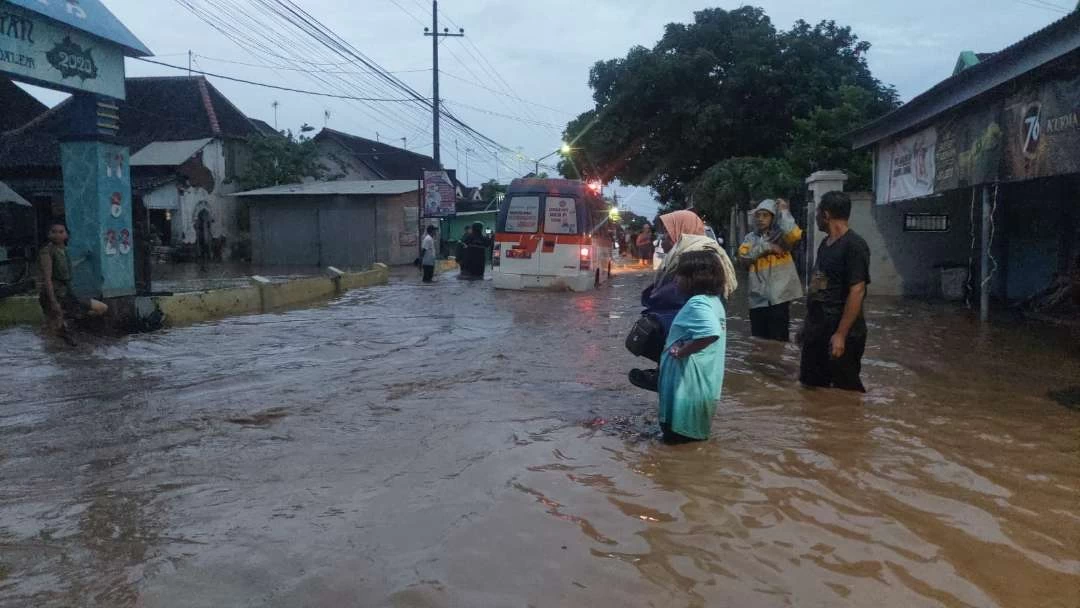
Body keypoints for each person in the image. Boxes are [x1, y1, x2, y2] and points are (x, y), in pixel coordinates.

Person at [629, 210, 738, 392]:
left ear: (682, 231)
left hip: (688, 326)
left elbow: (676, 295)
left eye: (668, 233)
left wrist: (653, 297)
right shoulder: (685, 252)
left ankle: (665, 379)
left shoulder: (697, 255)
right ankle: (664, 375)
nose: (663, 238)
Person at [800, 191, 871, 392]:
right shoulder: (825, 244)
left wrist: (841, 334)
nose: (815, 218)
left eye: (818, 212)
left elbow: (857, 291)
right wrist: (808, 326)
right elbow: (819, 283)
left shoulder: (855, 246)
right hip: (818, 328)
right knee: (811, 387)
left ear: (826, 214)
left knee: (845, 392)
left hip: (841, 330)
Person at [657, 250, 728, 443]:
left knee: (675, 445)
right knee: (691, 444)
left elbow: (710, 332)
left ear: (694, 278)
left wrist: (681, 351)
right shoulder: (714, 301)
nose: (676, 280)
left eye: (679, 275)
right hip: (702, 387)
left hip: (687, 390)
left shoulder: (697, 303)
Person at [738, 198, 803, 341]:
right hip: (757, 298)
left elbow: (795, 234)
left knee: (779, 340)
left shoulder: (783, 238)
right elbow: (743, 257)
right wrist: (766, 247)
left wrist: (784, 211)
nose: (760, 219)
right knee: (758, 340)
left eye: (765, 215)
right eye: (758, 215)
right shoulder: (750, 238)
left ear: (773, 218)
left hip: (779, 298)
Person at [38, 222, 108, 342]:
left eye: (61, 232)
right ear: (48, 235)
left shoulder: (64, 250)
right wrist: (53, 301)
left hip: (66, 293)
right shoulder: (47, 252)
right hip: (54, 293)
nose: (57, 235)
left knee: (101, 308)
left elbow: (67, 267)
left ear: (66, 235)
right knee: (54, 330)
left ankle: (70, 320)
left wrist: (83, 259)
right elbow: (47, 278)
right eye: (53, 232)